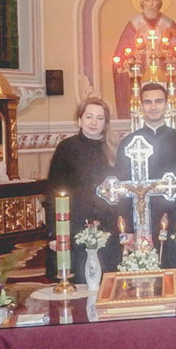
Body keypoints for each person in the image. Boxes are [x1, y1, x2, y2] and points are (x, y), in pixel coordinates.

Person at [114, 82, 176, 270]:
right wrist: (127, 227)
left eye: (159, 101)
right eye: (148, 102)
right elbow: (120, 187)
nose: (153, 107)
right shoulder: (128, 143)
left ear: (167, 104)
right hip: (140, 220)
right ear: (141, 106)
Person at [46, 98, 119, 282]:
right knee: (79, 279)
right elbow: (53, 192)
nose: (94, 122)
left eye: (100, 118)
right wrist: (54, 233)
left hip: (108, 226)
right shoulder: (66, 148)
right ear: (79, 120)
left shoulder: (114, 150)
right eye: (89, 117)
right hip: (74, 225)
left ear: (105, 123)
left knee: (107, 280)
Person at [112, 0, 176, 118]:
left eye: (154, 0)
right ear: (142, 2)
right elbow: (119, 60)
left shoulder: (169, 24)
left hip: (165, 81)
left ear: (159, 2)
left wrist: (170, 55)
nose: (151, 4)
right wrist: (132, 57)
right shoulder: (133, 25)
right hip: (140, 82)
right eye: (147, 0)